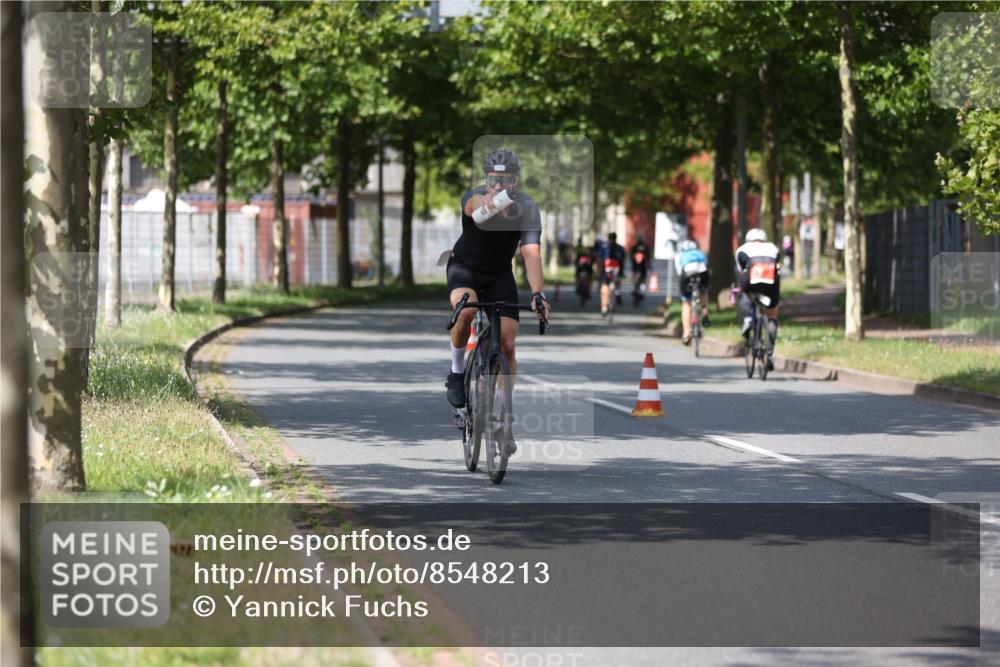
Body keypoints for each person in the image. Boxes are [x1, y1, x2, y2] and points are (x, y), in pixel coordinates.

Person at [445, 149, 551, 432]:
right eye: (493, 179)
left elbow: (531, 254)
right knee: (465, 312)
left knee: (508, 343)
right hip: (464, 267)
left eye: (505, 179)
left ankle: (501, 414)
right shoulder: (476, 196)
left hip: (500, 274)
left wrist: (538, 293)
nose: (498, 185)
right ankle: (456, 372)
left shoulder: (527, 207)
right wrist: (486, 201)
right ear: (486, 178)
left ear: (515, 181)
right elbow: (472, 206)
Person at [735, 228, 781, 369]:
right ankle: (770, 351)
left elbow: (740, 270)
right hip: (770, 282)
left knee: (744, 291)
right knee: (772, 314)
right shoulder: (773, 248)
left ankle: (748, 318)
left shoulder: (742, 249)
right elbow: (777, 266)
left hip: (751, 280)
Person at [675, 239, 710, 345]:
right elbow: (706, 264)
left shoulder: (680, 255)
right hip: (702, 272)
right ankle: (705, 312)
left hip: (687, 273)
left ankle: (686, 333)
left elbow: (679, 272)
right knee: (704, 291)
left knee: (686, 302)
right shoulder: (700, 254)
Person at [597, 231, 626, 316]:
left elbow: (599, 259)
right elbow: (600, 259)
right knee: (605, 289)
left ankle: (616, 294)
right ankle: (605, 307)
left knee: (606, 288)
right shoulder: (606, 247)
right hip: (608, 270)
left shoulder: (606, 247)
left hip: (612, 270)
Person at [574, 237, 595, 305]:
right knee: (588, 279)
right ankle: (585, 289)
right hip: (584, 270)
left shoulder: (581, 252)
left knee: (582, 277)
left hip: (583, 269)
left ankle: (579, 287)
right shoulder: (588, 255)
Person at [630, 237, 651, 302]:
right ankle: (640, 290)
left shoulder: (634, 247)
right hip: (642, 267)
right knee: (642, 279)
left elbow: (632, 257)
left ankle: (637, 290)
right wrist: (649, 265)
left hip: (636, 267)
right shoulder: (645, 247)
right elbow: (648, 258)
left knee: (636, 279)